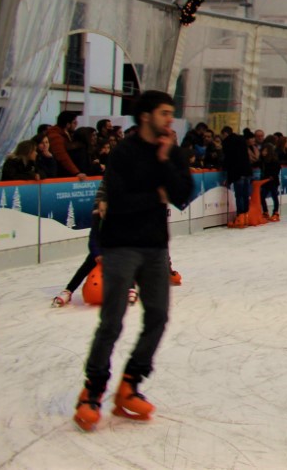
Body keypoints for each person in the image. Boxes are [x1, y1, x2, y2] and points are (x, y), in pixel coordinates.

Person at [73, 90, 192, 432]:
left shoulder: (172, 152)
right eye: (164, 113)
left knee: (158, 316)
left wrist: (167, 160)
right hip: (121, 245)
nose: (170, 119)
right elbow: (118, 202)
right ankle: (92, 390)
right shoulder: (124, 153)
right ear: (145, 116)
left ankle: (129, 385)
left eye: (171, 113)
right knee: (111, 321)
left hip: (155, 247)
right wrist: (156, 195)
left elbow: (183, 195)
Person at [221, 126, 252, 229]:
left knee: (239, 196)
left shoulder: (227, 142)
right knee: (245, 194)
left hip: (236, 172)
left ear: (225, 134)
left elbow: (228, 159)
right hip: (246, 170)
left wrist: (228, 176)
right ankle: (246, 216)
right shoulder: (241, 140)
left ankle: (240, 216)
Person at [47, 111, 84, 177]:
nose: (76, 124)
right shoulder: (55, 137)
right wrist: (76, 172)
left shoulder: (67, 135)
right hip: (59, 174)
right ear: (67, 124)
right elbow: (62, 156)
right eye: (74, 122)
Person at [259, 141, 282, 222]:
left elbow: (277, 169)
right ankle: (265, 212)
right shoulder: (262, 160)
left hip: (272, 181)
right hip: (265, 181)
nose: (263, 152)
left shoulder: (274, 161)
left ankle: (275, 212)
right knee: (261, 197)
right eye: (262, 151)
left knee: (274, 196)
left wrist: (272, 176)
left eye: (265, 151)